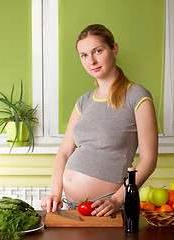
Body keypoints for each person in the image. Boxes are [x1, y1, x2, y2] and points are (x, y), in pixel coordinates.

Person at [41, 24, 158, 217]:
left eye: (98, 51)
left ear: (114, 49)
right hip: (71, 205)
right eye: (84, 55)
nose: (92, 60)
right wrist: (55, 192)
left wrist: (118, 199)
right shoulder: (84, 101)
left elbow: (149, 160)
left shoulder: (138, 96)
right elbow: (63, 152)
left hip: (108, 206)